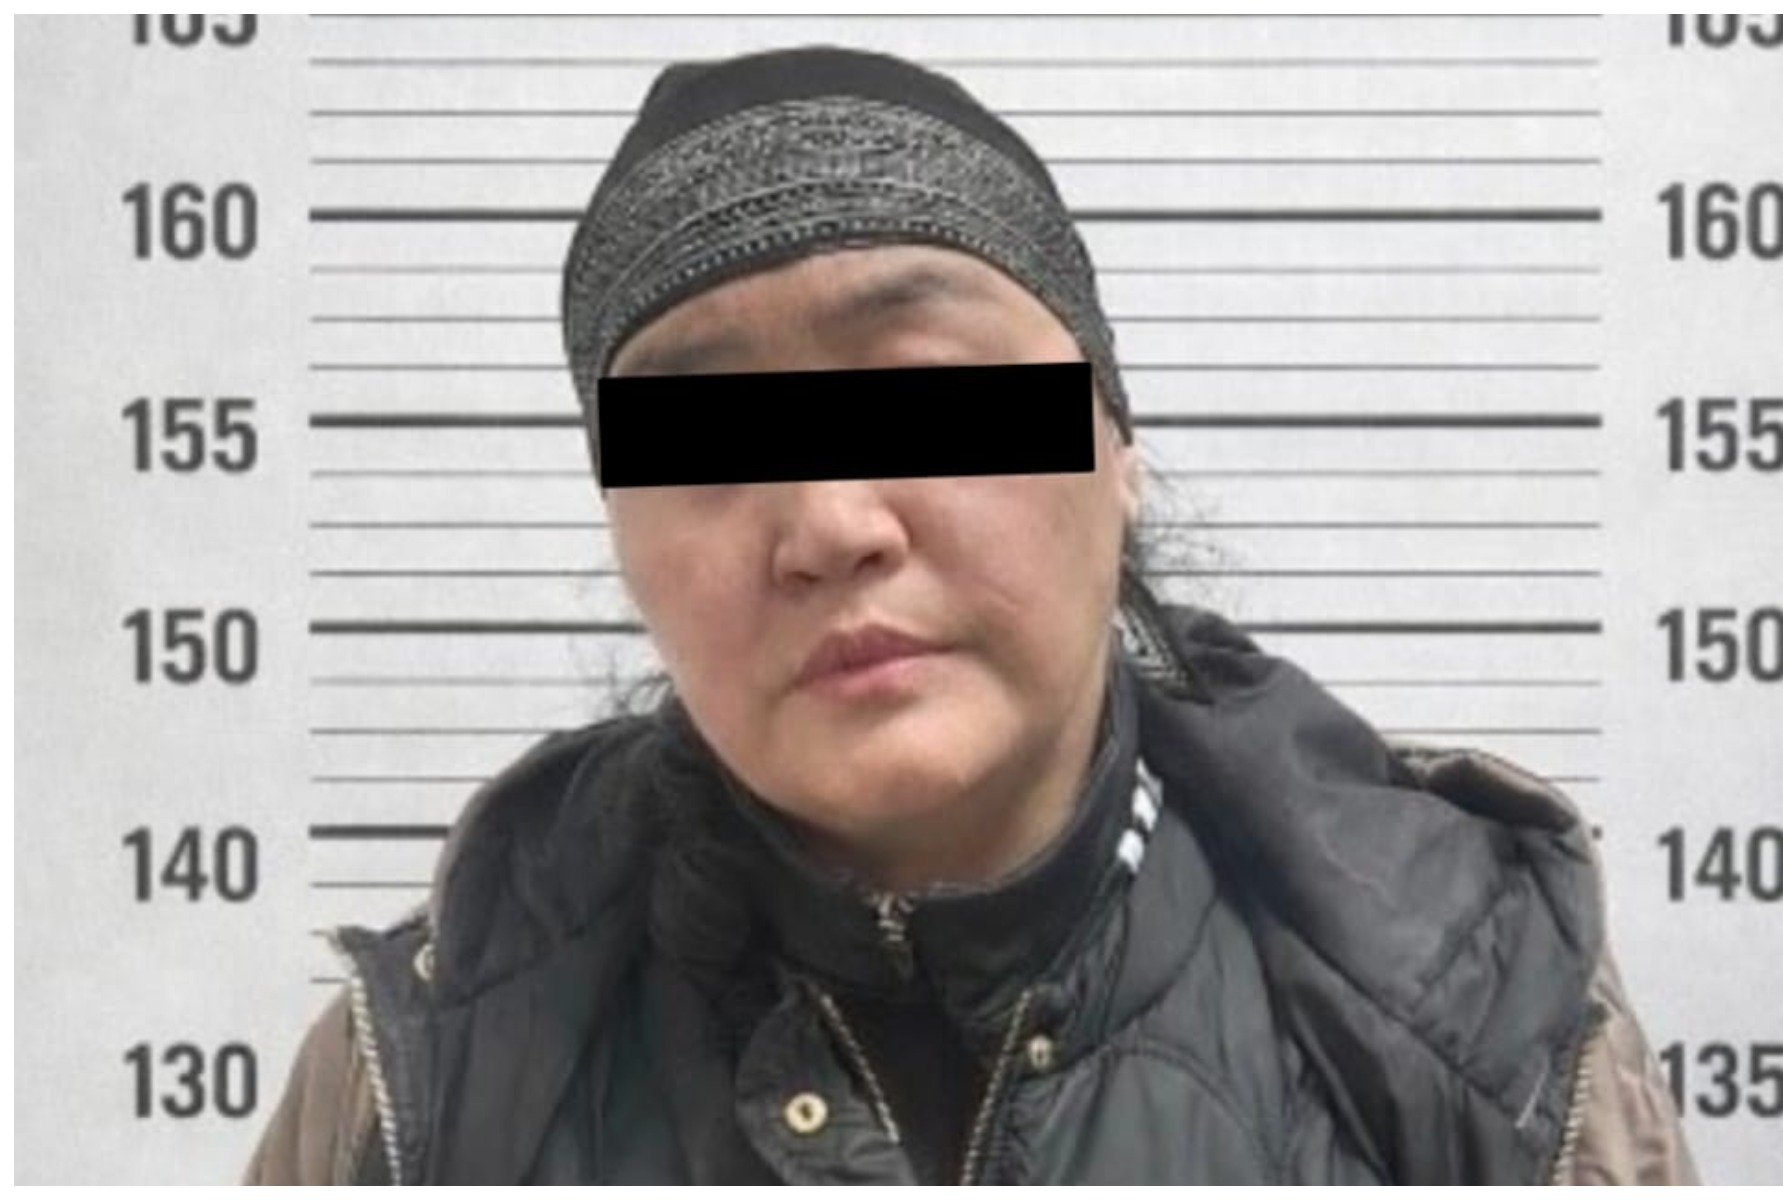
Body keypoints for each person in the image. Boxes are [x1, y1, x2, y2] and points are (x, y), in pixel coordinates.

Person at [245, 45, 1696, 1185]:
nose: (829, 523)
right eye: (703, 444)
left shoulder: (1478, 1019)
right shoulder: (423, 1081)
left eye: (928, 392)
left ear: (1116, 448)